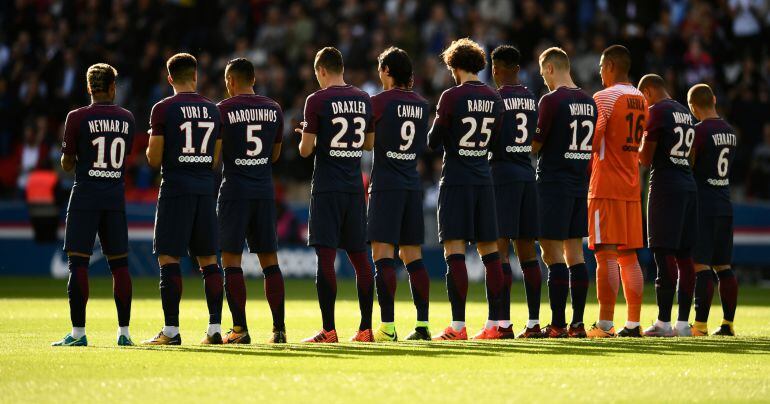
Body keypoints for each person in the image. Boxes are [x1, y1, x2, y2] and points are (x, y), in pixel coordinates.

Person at [427, 38, 505, 341]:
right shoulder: (494, 98)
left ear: (455, 66)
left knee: (454, 252)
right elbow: (497, 143)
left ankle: (458, 327)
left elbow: (433, 140)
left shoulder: (451, 96)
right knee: (491, 253)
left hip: (457, 180)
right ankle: (494, 324)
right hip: (484, 180)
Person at [143, 53, 224, 345]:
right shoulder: (214, 110)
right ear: (196, 76)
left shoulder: (162, 109)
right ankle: (215, 329)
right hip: (205, 189)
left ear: (169, 79)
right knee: (209, 261)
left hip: (176, 188)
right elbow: (215, 159)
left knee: (168, 258)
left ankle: (171, 330)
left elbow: (153, 158)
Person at [296, 47, 375, 343]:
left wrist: (308, 135)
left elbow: (305, 150)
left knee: (326, 258)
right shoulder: (363, 98)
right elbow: (368, 144)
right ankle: (365, 329)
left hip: (328, 187)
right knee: (360, 259)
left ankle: (328, 330)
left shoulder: (316, 100)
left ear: (321, 71)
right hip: (355, 186)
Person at [52, 63, 135, 347]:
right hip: (114, 197)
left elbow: (66, 164)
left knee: (78, 264)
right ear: (113, 87)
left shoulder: (76, 117)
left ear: (89, 88)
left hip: (85, 195)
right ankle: (124, 333)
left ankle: (78, 333)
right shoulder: (127, 118)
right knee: (120, 265)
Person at [216, 58, 286, 344]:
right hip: (263, 190)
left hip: (234, 189)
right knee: (270, 261)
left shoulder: (222, 110)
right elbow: (276, 154)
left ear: (231, 81)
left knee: (231, 260)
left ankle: (239, 329)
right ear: (253, 79)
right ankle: (279, 330)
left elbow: (215, 154)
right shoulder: (273, 109)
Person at [367, 47, 432, 341]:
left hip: (386, 184)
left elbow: (368, 144)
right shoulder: (421, 104)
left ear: (388, 71)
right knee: (413, 256)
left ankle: (388, 327)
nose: (379, 74)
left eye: (381, 68)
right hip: (411, 183)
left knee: (383, 255)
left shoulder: (378, 102)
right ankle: (422, 325)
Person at [532, 47, 597, 338]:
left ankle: (557, 324)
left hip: (553, 183)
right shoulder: (589, 101)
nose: (543, 79)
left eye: (542, 73)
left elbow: (535, 144)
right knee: (575, 255)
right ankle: (578, 324)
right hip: (578, 184)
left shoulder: (550, 100)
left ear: (549, 69)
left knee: (551, 253)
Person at [585, 45, 647, 338]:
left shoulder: (604, 98)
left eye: (600, 66)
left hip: (606, 184)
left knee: (606, 256)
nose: (599, 73)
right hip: (632, 185)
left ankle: (605, 323)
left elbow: (595, 140)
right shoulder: (641, 98)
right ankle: (633, 323)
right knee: (629, 256)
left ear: (609, 65)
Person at [488, 45, 543, 339]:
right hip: (527, 174)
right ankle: (534, 323)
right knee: (528, 253)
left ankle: (504, 323)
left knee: (500, 251)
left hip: (502, 176)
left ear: (496, 69)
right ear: (518, 69)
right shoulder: (532, 99)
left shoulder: (496, 99)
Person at [638, 73, 698, 337]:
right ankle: (683, 323)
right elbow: (692, 154)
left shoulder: (657, 112)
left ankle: (663, 322)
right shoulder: (685, 112)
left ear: (648, 91)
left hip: (665, 186)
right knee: (685, 257)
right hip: (688, 184)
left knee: (663, 253)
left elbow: (645, 158)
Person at [687, 83, 738, 336]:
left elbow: (691, 164)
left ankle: (700, 325)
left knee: (701, 266)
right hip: (724, 203)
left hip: (703, 205)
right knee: (724, 266)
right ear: (714, 100)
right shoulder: (730, 131)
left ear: (693, 107)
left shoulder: (698, 132)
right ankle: (728, 323)